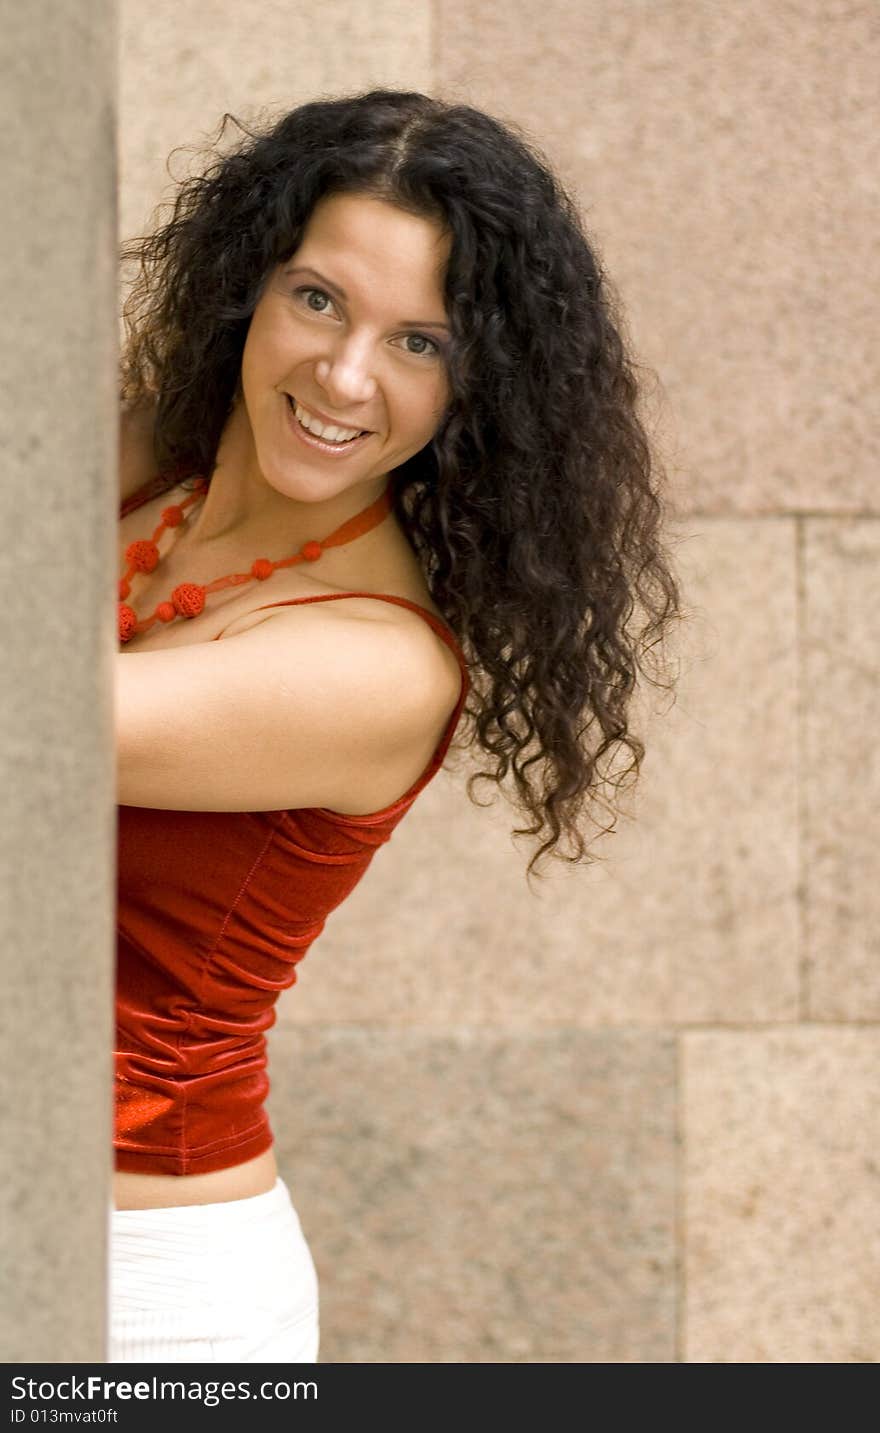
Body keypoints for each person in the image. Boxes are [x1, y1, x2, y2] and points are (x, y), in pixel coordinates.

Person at [111, 88, 683, 1364]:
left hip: (141, 1283)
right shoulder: (156, 464)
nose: (345, 374)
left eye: (419, 342)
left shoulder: (380, 667)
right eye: (317, 298)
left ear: (477, 388)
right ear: (248, 286)